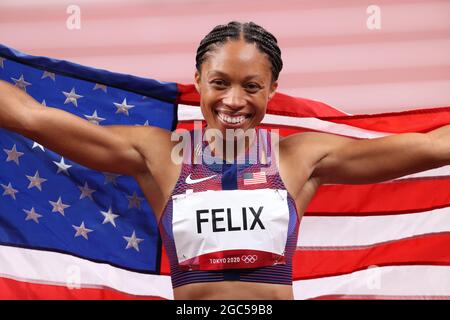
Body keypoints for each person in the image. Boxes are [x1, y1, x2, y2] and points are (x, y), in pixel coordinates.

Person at [0, 21, 449, 300]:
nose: (234, 101)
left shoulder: (302, 156)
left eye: (252, 86)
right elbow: (32, 118)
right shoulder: (158, 153)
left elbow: (430, 148)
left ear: (272, 88)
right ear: (198, 81)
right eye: (220, 83)